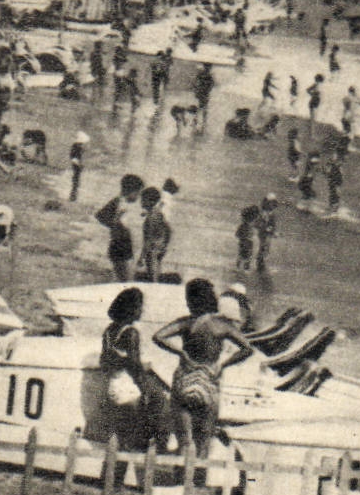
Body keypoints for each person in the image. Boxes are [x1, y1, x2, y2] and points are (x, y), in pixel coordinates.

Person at [153, 278, 258, 456]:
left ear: (190, 301)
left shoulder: (186, 323)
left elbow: (158, 336)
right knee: (203, 441)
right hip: (208, 381)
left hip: (184, 380)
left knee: (185, 441)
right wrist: (223, 365)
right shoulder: (221, 325)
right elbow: (248, 349)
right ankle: (197, 481)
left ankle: (181, 480)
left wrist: (181, 353)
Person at [100, 288, 164, 475]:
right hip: (129, 388)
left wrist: (120, 359)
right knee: (129, 436)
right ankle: (118, 479)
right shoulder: (131, 333)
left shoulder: (109, 331)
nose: (141, 311)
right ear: (131, 309)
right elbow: (134, 365)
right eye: (139, 307)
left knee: (119, 436)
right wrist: (145, 390)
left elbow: (105, 361)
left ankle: (110, 477)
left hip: (114, 385)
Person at [95, 174, 143, 282]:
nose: (138, 196)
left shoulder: (121, 202)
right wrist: (115, 223)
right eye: (137, 193)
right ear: (130, 191)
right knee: (124, 275)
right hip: (120, 243)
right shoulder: (119, 203)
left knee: (121, 274)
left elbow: (100, 216)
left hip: (121, 242)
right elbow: (100, 215)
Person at [137, 186, 172, 282]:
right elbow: (168, 230)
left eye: (143, 200)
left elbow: (148, 239)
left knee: (153, 277)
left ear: (149, 201)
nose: (141, 202)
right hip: (158, 249)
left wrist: (141, 257)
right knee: (155, 275)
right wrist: (163, 245)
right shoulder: (157, 213)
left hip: (153, 250)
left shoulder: (152, 216)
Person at [254, 194, 279, 273]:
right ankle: (260, 261)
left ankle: (261, 260)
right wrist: (265, 227)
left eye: (273, 203)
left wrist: (273, 230)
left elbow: (273, 223)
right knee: (263, 246)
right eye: (270, 203)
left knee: (266, 247)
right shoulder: (262, 214)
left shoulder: (272, 214)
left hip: (268, 233)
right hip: (263, 233)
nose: (271, 205)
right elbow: (257, 223)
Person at [234, 203, 260, 272]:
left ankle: (239, 267)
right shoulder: (248, 226)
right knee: (247, 256)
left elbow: (237, 234)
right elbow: (238, 234)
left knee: (242, 255)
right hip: (247, 242)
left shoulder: (244, 226)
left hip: (244, 242)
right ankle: (245, 268)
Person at [68, 132, 88, 203]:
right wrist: (80, 165)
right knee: (76, 180)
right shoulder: (76, 148)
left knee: (76, 180)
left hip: (76, 165)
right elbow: (74, 158)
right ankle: (73, 197)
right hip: (76, 165)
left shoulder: (75, 146)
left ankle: (73, 195)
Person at [324, 147, 345, 216]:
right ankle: (331, 207)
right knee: (331, 193)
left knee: (335, 194)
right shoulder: (331, 162)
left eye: (334, 154)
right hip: (332, 180)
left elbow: (341, 174)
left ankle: (335, 210)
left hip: (336, 180)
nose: (333, 156)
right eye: (333, 154)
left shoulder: (339, 164)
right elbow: (327, 169)